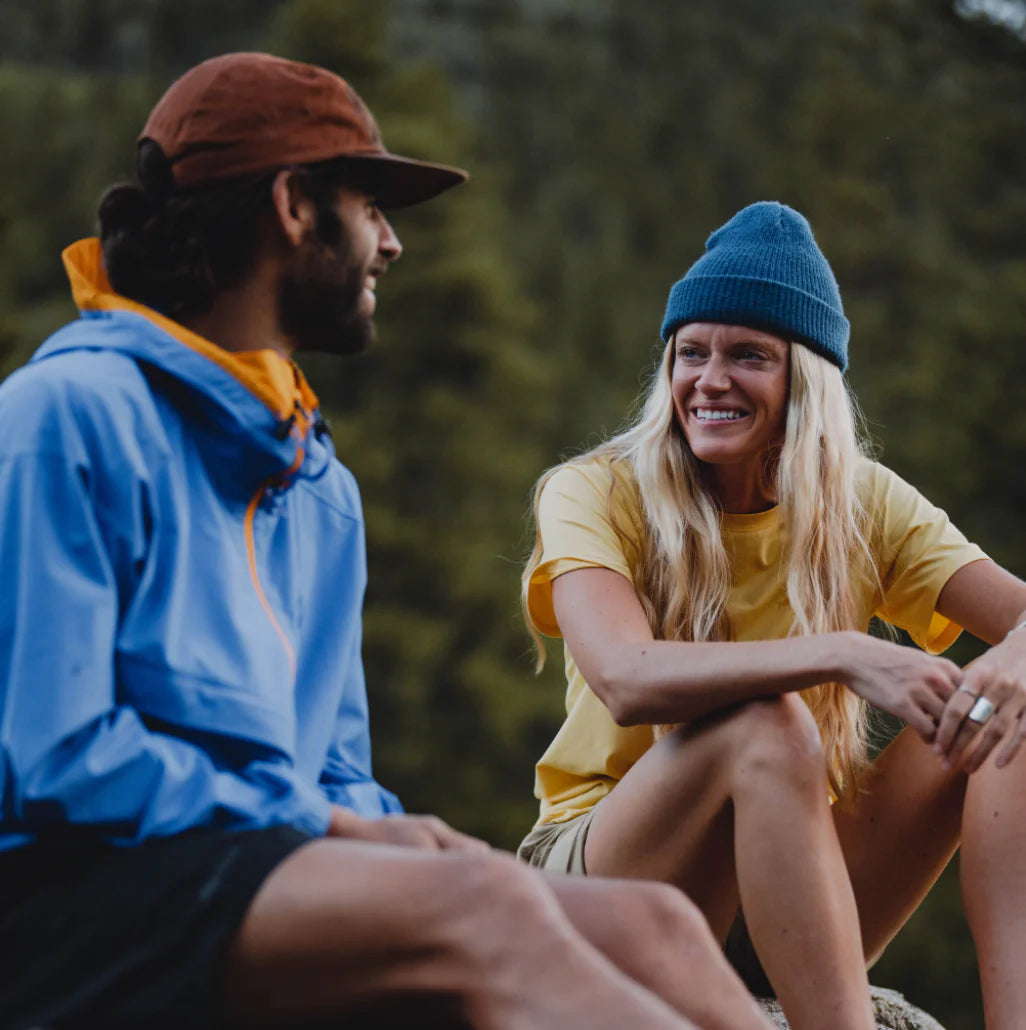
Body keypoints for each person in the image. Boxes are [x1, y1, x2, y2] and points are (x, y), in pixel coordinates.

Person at [0, 52, 777, 1030]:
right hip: (67, 904)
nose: (392, 244)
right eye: (371, 206)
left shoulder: (319, 489)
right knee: (487, 912)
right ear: (293, 207)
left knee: (652, 925)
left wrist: (402, 832)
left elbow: (334, 766)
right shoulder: (64, 414)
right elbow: (58, 758)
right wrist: (323, 825)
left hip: (256, 881)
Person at [517, 200, 1026, 1030]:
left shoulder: (862, 503)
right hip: (609, 885)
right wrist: (841, 653)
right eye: (691, 354)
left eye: (748, 355)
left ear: (807, 380)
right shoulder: (595, 491)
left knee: (1013, 709)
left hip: (793, 881)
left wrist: (1015, 661)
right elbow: (623, 677)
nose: (709, 381)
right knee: (765, 724)